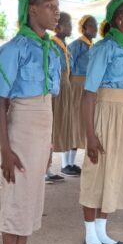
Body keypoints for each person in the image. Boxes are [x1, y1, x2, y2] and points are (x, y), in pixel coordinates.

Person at [0, 0, 59, 244]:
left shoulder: (51, 48)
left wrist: (49, 145)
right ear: (31, 9)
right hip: (21, 127)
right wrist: (5, 150)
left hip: (41, 128)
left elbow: (50, 100)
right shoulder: (13, 50)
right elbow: (1, 102)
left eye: (57, 6)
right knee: (16, 197)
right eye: (49, 6)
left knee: (32, 198)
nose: (56, 12)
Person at [79, 0, 123, 244]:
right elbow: (89, 93)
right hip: (105, 112)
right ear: (118, 18)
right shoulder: (104, 48)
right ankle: (90, 233)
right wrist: (90, 135)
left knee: (116, 171)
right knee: (97, 172)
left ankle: (103, 230)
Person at [64, 15, 97, 175]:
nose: (95, 28)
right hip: (77, 85)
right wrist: (70, 87)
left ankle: (72, 162)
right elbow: (69, 65)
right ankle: (65, 164)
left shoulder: (93, 46)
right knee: (74, 121)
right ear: (83, 28)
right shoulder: (77, 45)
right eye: (91, 25)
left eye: (96, 25)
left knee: (83, 123)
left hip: (88, 86)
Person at [50, 11, 74, 178]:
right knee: (50, 127)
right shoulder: (52, 44)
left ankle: (49, 168)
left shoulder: (64, 45)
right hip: (56, 89)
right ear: (58, 27)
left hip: (65, 87)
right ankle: (44, 169)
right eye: (68, 24)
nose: (71, 27)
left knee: (58, 126)